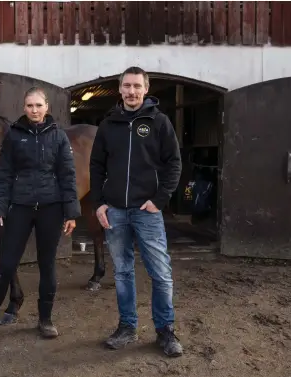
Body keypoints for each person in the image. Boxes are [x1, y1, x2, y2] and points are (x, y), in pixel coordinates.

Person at [89, 66, 184, 357]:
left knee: (161, 273)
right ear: (120, 90)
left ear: (146, 89)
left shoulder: (159, 122)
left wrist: (160, 199)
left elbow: (174, 164)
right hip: (115, 211)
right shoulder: (108, 125)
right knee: (123, 273)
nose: (132, 92)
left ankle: (165, 331)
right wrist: (99, 203)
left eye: (137, 86)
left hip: (147, 211)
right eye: (127, 86)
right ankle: (127, 327)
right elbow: (96, 166)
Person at [0, 87, 80, 345]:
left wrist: (71, 212)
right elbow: (4, 175)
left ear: (47, 107)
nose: (34, 110)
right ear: (24, 108)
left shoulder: (58, 137)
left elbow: (68, 176)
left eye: (38, 105)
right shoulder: (13, 136)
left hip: (51, 208)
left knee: (48, 265)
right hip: (20, 207)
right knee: (7, 264)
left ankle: (45, 320)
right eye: (30, 106)